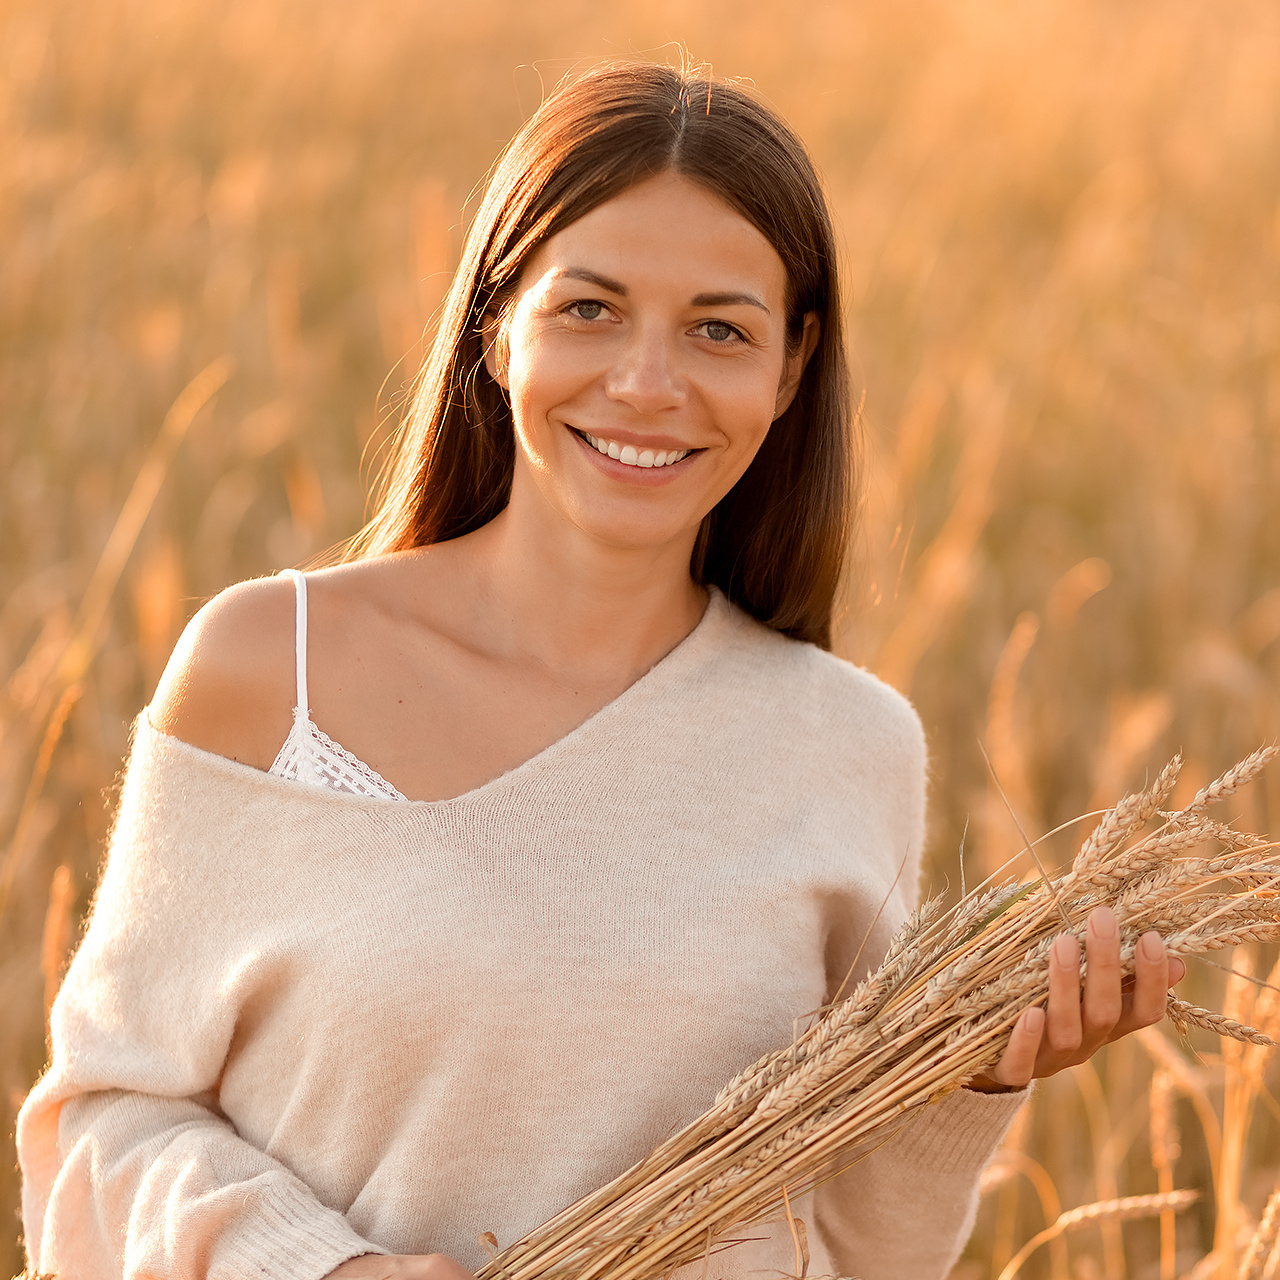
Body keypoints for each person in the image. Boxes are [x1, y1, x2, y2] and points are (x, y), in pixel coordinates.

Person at [16, 61, 1183, 1280]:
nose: (646, 382)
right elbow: (98, 1124)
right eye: (588, 309)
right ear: (494, 323)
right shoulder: (276, 668)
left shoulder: (847, 743)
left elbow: (843, 1246)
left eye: (718, 330)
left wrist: (969, 1073)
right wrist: (323, 1270)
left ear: (788, 370)